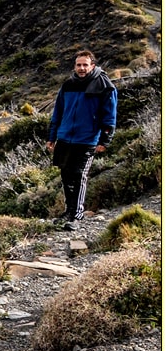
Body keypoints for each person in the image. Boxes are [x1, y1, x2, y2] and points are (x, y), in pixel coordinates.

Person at [46, 49, 117, 230]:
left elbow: (109, 116)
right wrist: (52, 136)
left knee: (79, 176)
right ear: (75, 66)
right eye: (79, 65)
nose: (82, 68)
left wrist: (105, 140)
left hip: (87, 140)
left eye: (85, 65)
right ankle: (69, 212)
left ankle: (77, 215)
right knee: (65, 175)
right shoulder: (68, 85)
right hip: (65, 138)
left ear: (92, 65)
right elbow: (58, 113)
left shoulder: (104, 85)